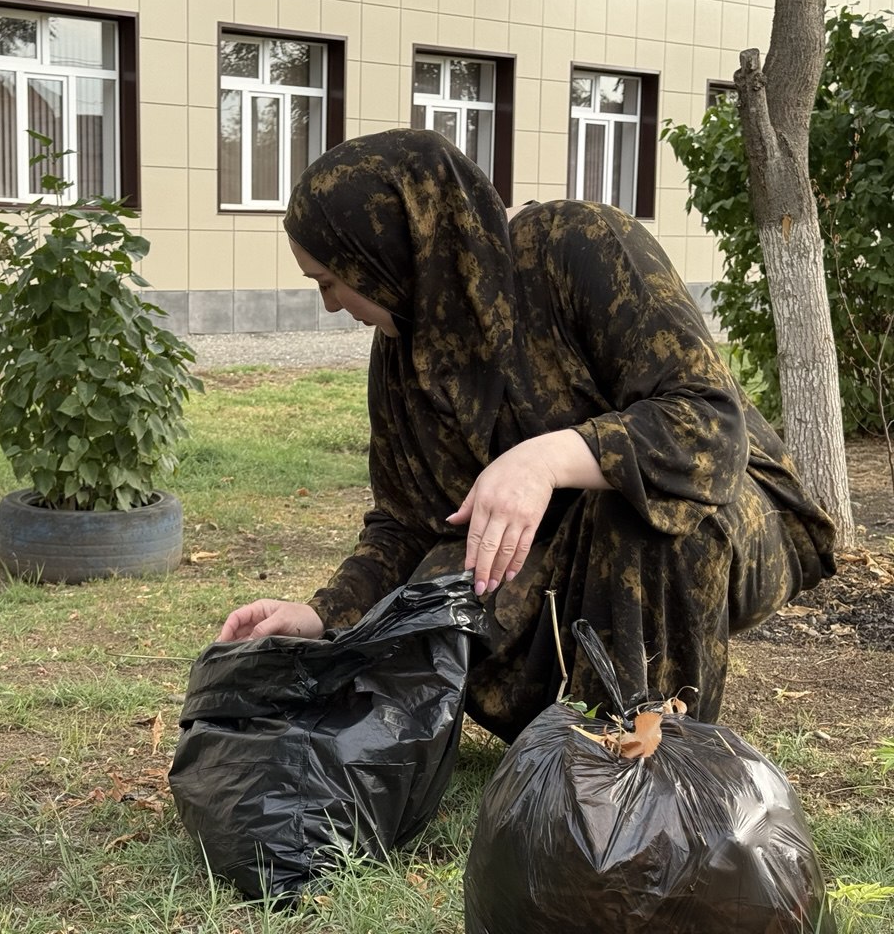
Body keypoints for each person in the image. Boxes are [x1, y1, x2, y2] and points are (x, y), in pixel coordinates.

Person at [217, 128, 836, 743]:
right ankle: (563, 738)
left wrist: (549, 458)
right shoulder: (403, 353)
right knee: (434, 593)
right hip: (565, 545)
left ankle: (647, 760)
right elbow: (405, 524)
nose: (330, 305)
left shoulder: (578, 243)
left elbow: (709, 425)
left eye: (329, 281)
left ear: (382, 250)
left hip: (733, 511)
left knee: (639, 515)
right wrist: (323, 613)